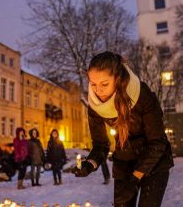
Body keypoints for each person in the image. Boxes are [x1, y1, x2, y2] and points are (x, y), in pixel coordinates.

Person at [72, 51, 174, 207]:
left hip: (154, 161)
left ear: (117, 79)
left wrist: (135, 179)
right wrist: (90, 164)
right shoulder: (95, 105)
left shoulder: (141, 93)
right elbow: (100, 144)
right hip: (124, 162)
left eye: (104, 84)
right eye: (93, 84)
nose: (98, 90)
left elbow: (158, 142)